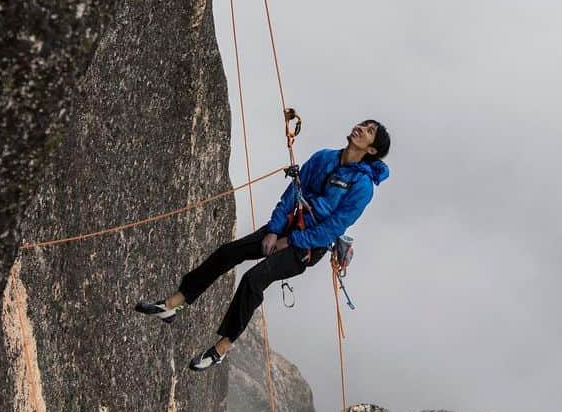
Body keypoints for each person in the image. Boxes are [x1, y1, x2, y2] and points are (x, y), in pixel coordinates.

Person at [136, 119, 390, 370]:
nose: (360, 128)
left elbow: (333, 227)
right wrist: (274, 230)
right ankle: (172, 304)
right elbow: (293, 193)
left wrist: (289, 240)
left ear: (372, 150)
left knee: (254, 279)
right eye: (363, 124)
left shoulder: (362, 186)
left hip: (307, 246)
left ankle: (222, 347)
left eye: (369, 131)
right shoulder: (324, 157)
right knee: (229, 252)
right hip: (287, 226)